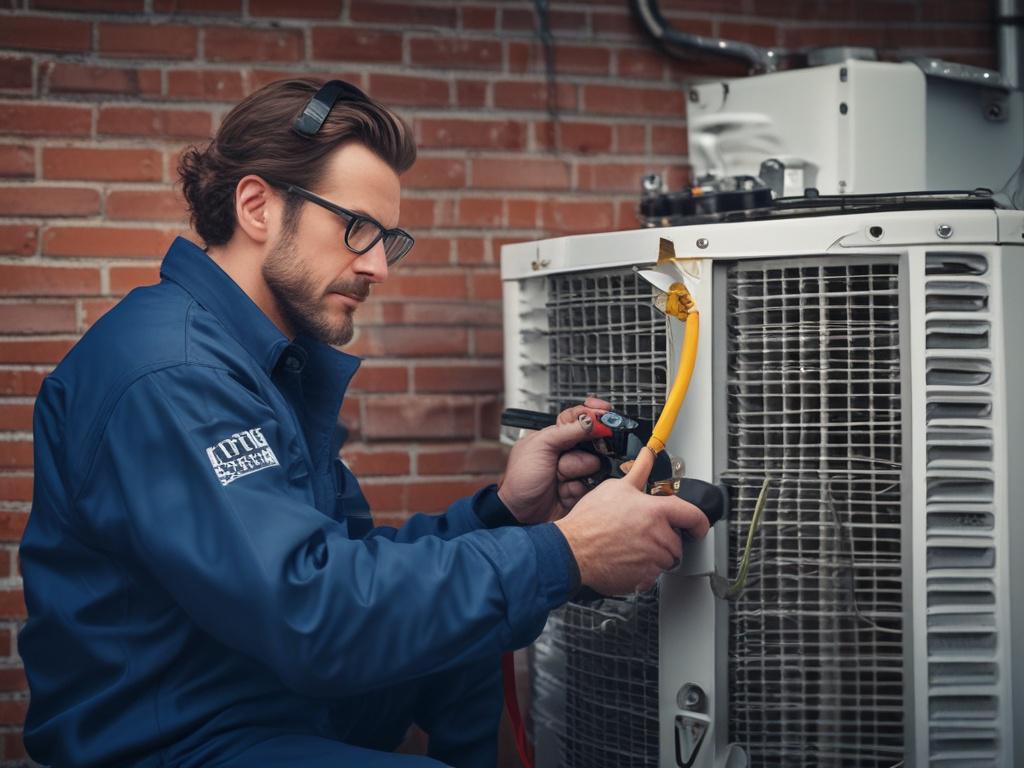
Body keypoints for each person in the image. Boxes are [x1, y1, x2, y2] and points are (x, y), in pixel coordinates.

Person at [18, 79, 709, 768]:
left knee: (463, 642)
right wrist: (566, 553)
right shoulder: (174, 375)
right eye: (357, 229)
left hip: (260, 692)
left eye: (388, 239)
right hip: (173, 738)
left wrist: (504, 514)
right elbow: (312, 611)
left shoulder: (258, 360)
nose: (378, 265)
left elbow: (343, 567)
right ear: (257, 206)